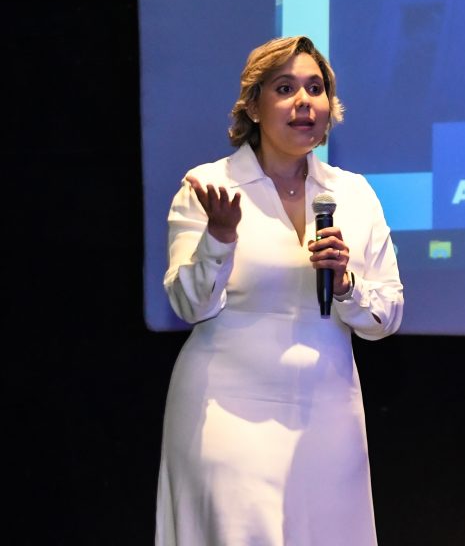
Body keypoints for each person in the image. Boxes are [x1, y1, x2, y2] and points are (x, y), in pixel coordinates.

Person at [154, 35, 403, 545]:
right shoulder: (209, 187)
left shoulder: (353, 193)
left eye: (315, 88)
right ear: (253, 105)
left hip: (328, 416)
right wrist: (219, 238)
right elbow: (189, 305)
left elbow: (387, 315)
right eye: (285, 88)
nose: (303, 101)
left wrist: (346, 284)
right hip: (226, 412)